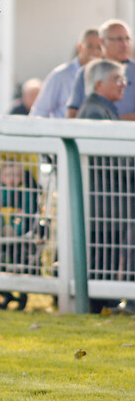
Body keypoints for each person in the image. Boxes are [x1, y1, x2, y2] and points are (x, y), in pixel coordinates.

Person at [76, 59, 135, 312]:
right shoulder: (94, 111)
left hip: (110, 202)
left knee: (109, 256)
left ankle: (107, 303)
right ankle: (99, 304)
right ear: (98, 83)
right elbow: (108, 159)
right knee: (103, 256)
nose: (124, 84)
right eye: (117, 79)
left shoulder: (104, 109)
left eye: (124, 79)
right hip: (103, 204)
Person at [66, 20, 135, 120]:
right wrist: (106, 120)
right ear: (102, 41)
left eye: (127, 39)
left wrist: (112, 119)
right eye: (119, 39)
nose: (125, 44)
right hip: (93, 132)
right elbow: (72, 113)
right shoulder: (87, 72)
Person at [30, 27, 103, 118]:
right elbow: (39, 112)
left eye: (99, 48)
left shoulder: (105, 76)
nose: (95, 52)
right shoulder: (60, 75)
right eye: (90, 47)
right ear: (80, 47)